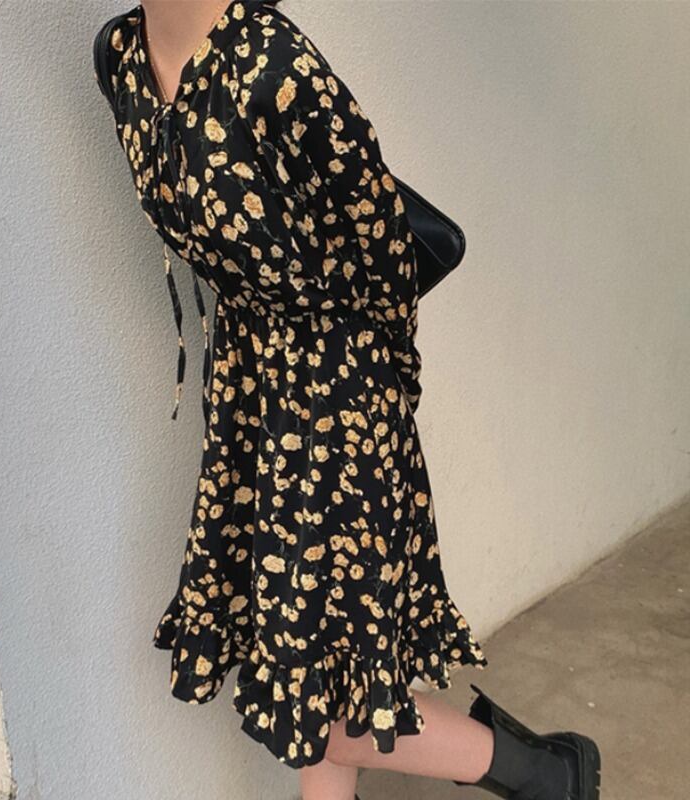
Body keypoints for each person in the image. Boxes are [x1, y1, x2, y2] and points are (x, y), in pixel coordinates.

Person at [92, 2, 601, 798]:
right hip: (252, 387)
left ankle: (544, 774)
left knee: (317, 693)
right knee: (316, 664)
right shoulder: (121, 58)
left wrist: (377, 403)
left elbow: (385, 253)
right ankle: (543, 773)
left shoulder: (277, 66)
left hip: (337, 397)